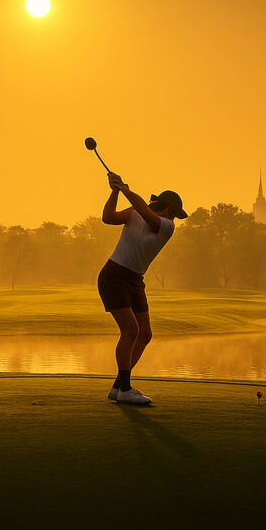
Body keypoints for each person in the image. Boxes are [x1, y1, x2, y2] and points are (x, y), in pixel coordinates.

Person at [98, 171, 186, 405]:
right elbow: (108, 217)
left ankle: (118, 386)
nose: (174, 218)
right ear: (167, 209)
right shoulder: (134, 213)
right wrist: (115, 191)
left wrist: (125, 189)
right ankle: (125, 389)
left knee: (144, 334)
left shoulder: (166, 227)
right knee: (130, 331)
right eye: (174, 214)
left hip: (135, 280)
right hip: (114, 275)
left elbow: (149, 215)